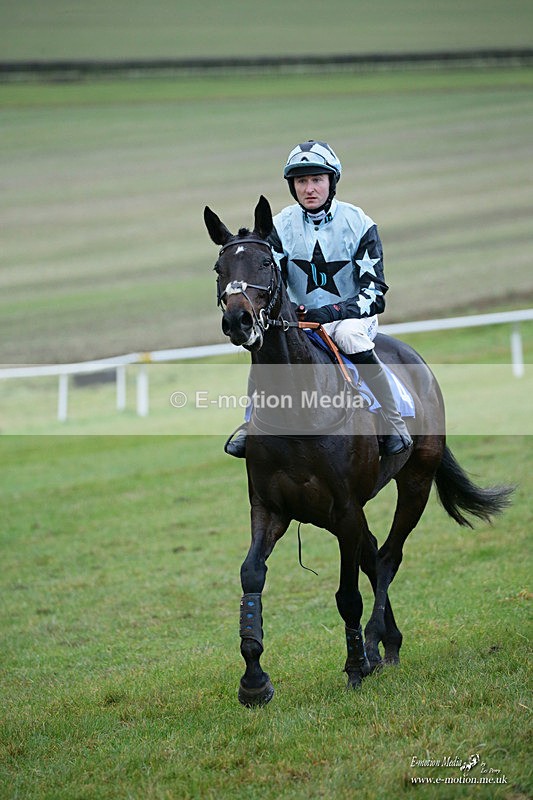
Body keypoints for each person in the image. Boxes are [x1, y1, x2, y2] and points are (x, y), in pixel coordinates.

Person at [226, 139, 413, 458]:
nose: (309, 188)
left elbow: (375, 293)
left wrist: (330, 312)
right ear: (292, 186)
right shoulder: (280, 225)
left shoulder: (359, 223)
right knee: (265, 344)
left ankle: (393, 421)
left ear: (331, 182)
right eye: (301, 181)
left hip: (351, 318)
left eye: (316, 179)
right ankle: (250, 423)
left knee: (350, 336)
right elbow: (272, 281)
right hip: (297, 321)